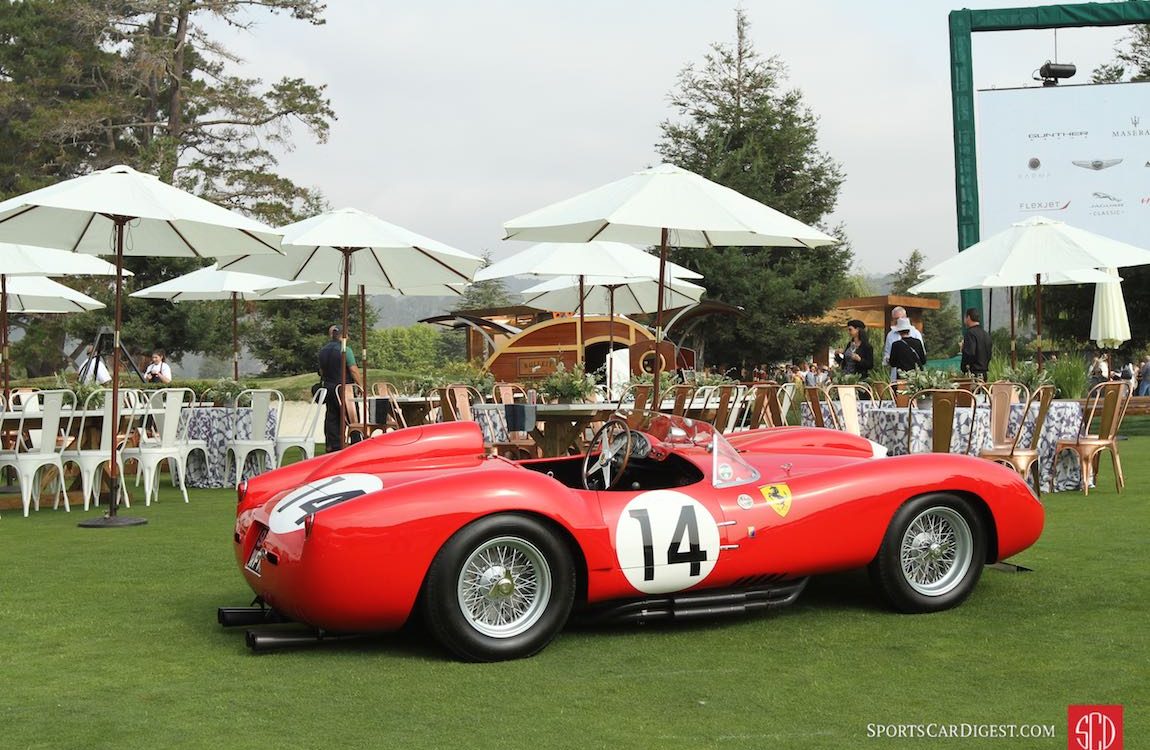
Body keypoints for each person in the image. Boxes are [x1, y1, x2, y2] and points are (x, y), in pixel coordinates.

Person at [318, 324, 363, 452]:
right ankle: (356, 444)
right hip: (345, 389)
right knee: (352, 417)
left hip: (329, 388)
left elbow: (321, 371)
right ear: (344, 336)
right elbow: (353, 370)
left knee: (332, 418)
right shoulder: (345, 350)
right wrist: (360, 386)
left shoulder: (323, 350)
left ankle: (333, 446)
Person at [882, 306, 924, 381]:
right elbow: (887, 353)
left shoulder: (916, 333)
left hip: (914, 376)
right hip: (896, 375)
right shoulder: (890, 335)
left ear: (905, 317)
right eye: (895, 319)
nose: (897, 321)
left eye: (899, 318)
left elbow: (921, 354)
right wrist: (887, 359)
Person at [959, 307, 992, 380]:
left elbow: (970, 353)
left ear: (968, 317)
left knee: (974, 391)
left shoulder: (970, 334)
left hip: (974, 375)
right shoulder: (986, 334)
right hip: (984, 374)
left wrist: (963, 349)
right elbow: (989, 354)